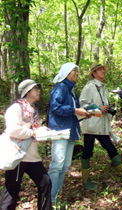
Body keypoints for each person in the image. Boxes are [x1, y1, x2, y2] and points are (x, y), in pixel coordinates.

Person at [79, 63, 122, 190]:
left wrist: (106, 109)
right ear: (93, 74)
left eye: (103, 69)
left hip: (102, 125)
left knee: (111, 148)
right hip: (91, 125)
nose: (103, 71)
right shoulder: (89, 87)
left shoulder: (103, 87)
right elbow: (82, 106)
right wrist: (98, 108)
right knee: (87, 151)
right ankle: (86, 180)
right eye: (99, 70)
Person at [0, 79, 52, 210]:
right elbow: (13, 130)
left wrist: (44, 133)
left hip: (31, 155)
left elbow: (33, 133)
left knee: (45, 182)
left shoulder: (33, 111)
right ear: (27, 92)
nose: (38, 91)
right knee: (11, 192)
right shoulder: (16, 108)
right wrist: (34, 132)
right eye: (35, 89)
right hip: (17, 155)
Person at [48, 63, 91, 204]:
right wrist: (75, 110)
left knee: (65, 165)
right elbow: (56, 107)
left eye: (78, 72)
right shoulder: (61, 88)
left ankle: (54, 198)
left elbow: (73, 111)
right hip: (60, 130)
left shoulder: (72, 91)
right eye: (74, 71)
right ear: (66, 73)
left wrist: (84, 114)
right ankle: (49, 199)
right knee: (57, 165)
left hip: (71, 131)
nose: (77, 74)